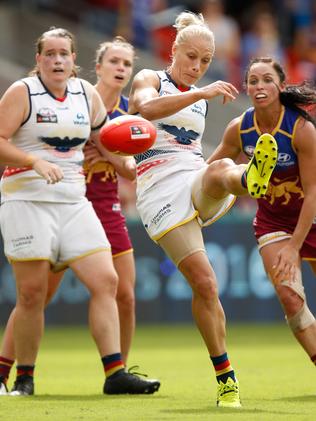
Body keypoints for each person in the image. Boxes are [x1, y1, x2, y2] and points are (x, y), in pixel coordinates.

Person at [127, 11, 277, 408]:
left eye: (205, 61)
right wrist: (200, 91)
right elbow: (145, 110)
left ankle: (250, 178)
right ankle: (226, 378)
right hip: (157, 187)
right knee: (206, 284)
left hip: (193, 174)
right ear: (173, 49)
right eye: (191, 57)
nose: (197, 67)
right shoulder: (151, 80)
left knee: (219, 170)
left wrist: (203, 100)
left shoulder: (200, 97)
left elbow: (194, 150)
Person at [0, 27, 160, 396]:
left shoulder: (85, 94)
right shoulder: (22, 92)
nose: (57, 60)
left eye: (64, 54)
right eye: (50, 54)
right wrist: (32, 162)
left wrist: (130, 159)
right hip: (28, 199)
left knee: (107, 281)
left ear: (74, 61)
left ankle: (115, 372)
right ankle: (24, 378)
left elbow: (105, 138)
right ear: (38, 59)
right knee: (32, 294)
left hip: (74, 201)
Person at [208, 57, 316, 373]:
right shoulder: (240, 128)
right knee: (291, 299)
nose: (259, 86)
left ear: (281, 86)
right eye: (253, 81)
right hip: (273, 222)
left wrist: (294, 246)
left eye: (267, 80)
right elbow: (210, 171)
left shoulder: (302, 129)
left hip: (311, 215)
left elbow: (312, 193)